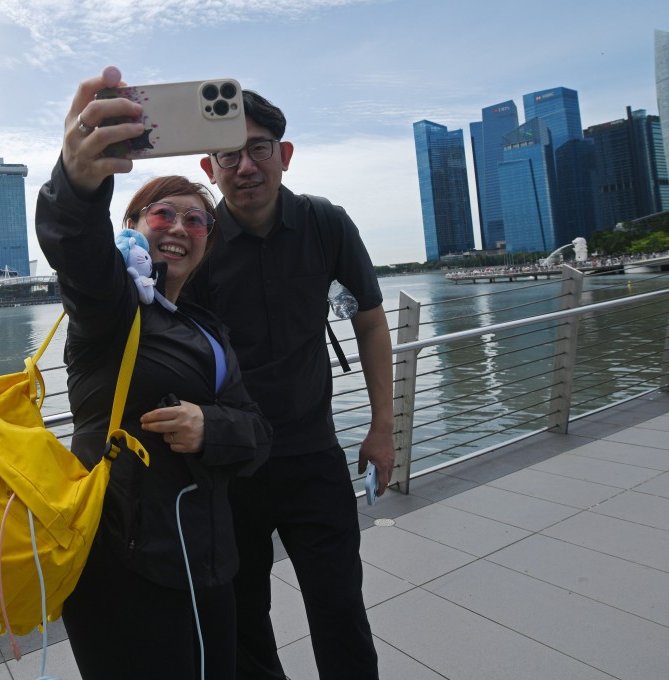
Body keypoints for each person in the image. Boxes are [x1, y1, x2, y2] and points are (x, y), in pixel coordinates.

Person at [35, 66, 273, 680]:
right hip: (123, 566)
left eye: (197, 222)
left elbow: (256, 434)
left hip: (210, 562)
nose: (181, 229)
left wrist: (211, 428)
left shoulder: (208, 330)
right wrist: (77, 182)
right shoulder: (110, 312)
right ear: (134, 228)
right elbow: (78, 253)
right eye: (163, 214)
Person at [186, 89, 396, 679]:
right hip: (230, 467)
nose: (245, 166)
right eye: (228, 155)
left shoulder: (324, 223)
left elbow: (370, 321)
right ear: (210, 168)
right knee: (243, 622)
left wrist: (382, 429)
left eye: (259, 149)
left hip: (312, 455)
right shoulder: (198, 241)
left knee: (340, 609)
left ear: (285, 154)